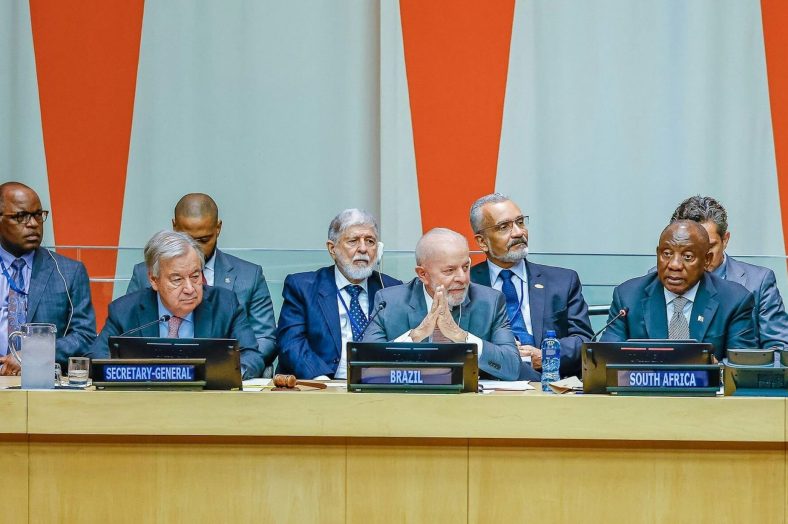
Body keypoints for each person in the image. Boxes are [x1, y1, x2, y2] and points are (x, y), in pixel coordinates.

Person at [127, 193, 274, 376]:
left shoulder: (249, 276)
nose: (195, 248)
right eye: (186, 238)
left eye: (204, 240)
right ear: (174, 227)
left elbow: (264, 338)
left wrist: (231, 368)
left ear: (218, 228)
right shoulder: (144, 274)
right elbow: (126, 332)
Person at [89, 230, 260, 378]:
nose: (189, 288)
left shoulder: (225, 305)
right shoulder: (125, 311)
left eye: (195, 276)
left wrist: (223, 374)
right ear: (154, 280)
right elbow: (96, 357)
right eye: (177, 279)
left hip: (208, 402)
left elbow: (251, 355)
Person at [364, 228, 520, 381]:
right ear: (423, 274)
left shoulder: (490, 302)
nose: (462, 278)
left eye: (465, 267)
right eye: (449, 270)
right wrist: (415, 336)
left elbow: (512, 368)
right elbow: (365, 367)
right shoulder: (389, 302)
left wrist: (462, 338)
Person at [468, 193, 593, 380]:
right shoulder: (466, 284)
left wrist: (546, 356)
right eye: (504, 227)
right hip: (486, 387)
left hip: (549, 386)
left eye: (520, 222)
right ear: (482, 242)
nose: (518, 232)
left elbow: (584, 341)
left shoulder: (563, 281)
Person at [602, 220, 756, 360]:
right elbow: (607, 358)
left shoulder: (734, 300)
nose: (674, 265)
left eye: (687, 257)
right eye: (666, 254)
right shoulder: (628, 297)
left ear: (706, 260)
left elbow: (741, 367)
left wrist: (715, 371)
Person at [277, 209, 401, 379]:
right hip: (322, 385)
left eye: (370, 241)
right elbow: (291, 343)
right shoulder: (302, 287)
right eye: (353, 241)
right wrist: (322, 382)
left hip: (378, 385)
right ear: (332, 248)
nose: (363, 249)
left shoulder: (390, 289)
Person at [0, 182, 96, 375]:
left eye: (38, 215)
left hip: (44, 382)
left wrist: (34, 354)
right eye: (21, 216)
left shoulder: (69, 271)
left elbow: (85, 337)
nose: (33, 224)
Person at [670, 195, 788, 348]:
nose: (701, 257)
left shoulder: (758, 282)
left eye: (709, 246)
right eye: (690, 249)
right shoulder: (657, 280)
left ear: (725, 240)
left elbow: (780, 349)